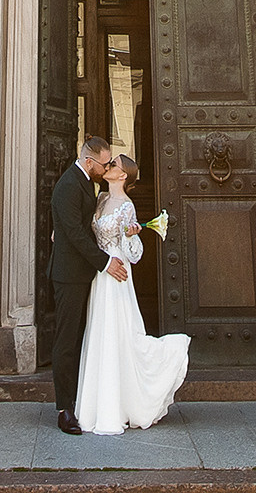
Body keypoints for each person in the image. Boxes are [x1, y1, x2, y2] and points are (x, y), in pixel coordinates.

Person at [75, 152, 191, 434]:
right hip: (99, 273)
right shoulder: (101, 199)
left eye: (113, 164)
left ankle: (130, 395)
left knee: (118, 333)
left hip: (116, 273)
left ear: (123, 175)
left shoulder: (127, 207)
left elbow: (135, 255)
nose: (108, 166)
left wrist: (131, 235)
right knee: (102, 333)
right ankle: (98, 405)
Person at [48, 135, 122, 434]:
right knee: (66, 341)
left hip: (83, 273)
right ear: (89, 162)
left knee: (83, 337)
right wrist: (105, 262)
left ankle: (83, 401)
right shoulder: (68, 185)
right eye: (103, 165)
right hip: (69, 275)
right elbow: (76, 235)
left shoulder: (84, 182)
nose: (106, 170)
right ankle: (64, 409)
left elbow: (76, 226)